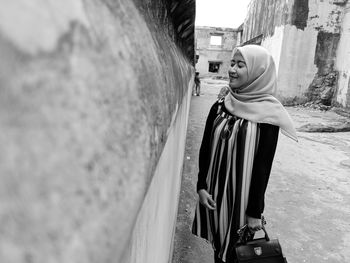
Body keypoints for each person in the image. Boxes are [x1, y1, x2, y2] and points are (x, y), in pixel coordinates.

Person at [191, 45, 298, 263]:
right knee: (218, 247)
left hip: (242, 202)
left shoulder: (268, 115)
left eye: (241, 65)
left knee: (238, 254)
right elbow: (206, 147)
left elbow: (262, 168)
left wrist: (254, 212)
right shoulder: (221, 104)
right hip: (215, 196)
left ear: (258, 73)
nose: (233, 69)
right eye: (232, 63)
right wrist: (201, 185)